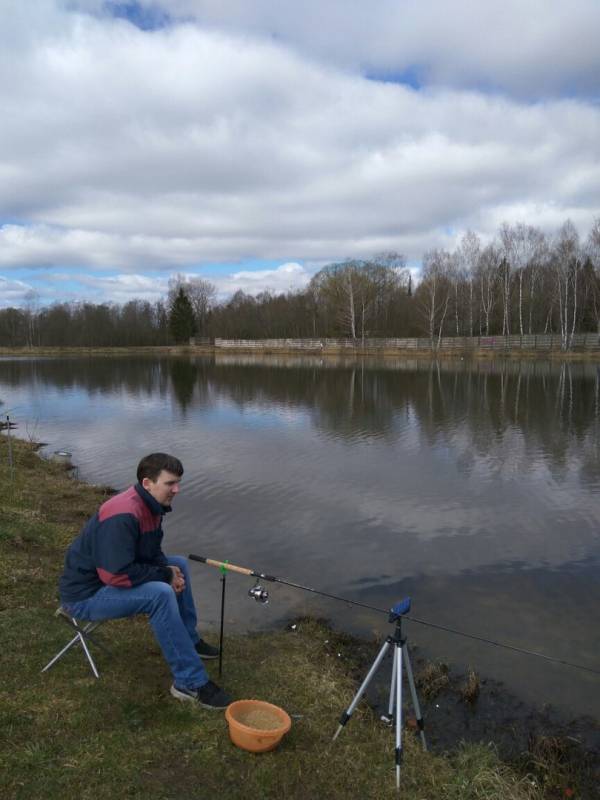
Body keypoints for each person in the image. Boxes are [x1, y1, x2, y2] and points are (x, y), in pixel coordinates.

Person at [58, 452, 231, 710]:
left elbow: (151, 553)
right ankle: (189, 682)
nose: (177, 489)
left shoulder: (152, 506)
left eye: (178, 482)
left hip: (106, 583)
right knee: (159, 594)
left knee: (179, 563)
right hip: (86, 595)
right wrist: (165, 576)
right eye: (170, 483)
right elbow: (114, 575)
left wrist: (170, 571)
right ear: (147, 482)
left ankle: (189, 640)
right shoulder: (123, 513)